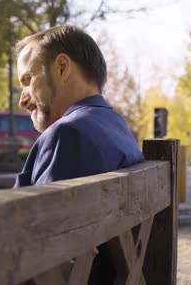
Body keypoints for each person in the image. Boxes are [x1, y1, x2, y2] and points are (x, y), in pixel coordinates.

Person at [13, 24, 144, 188]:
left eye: (28, 80)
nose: (22, 100)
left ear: (62, 68)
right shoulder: (118, 128)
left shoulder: (67, 136)